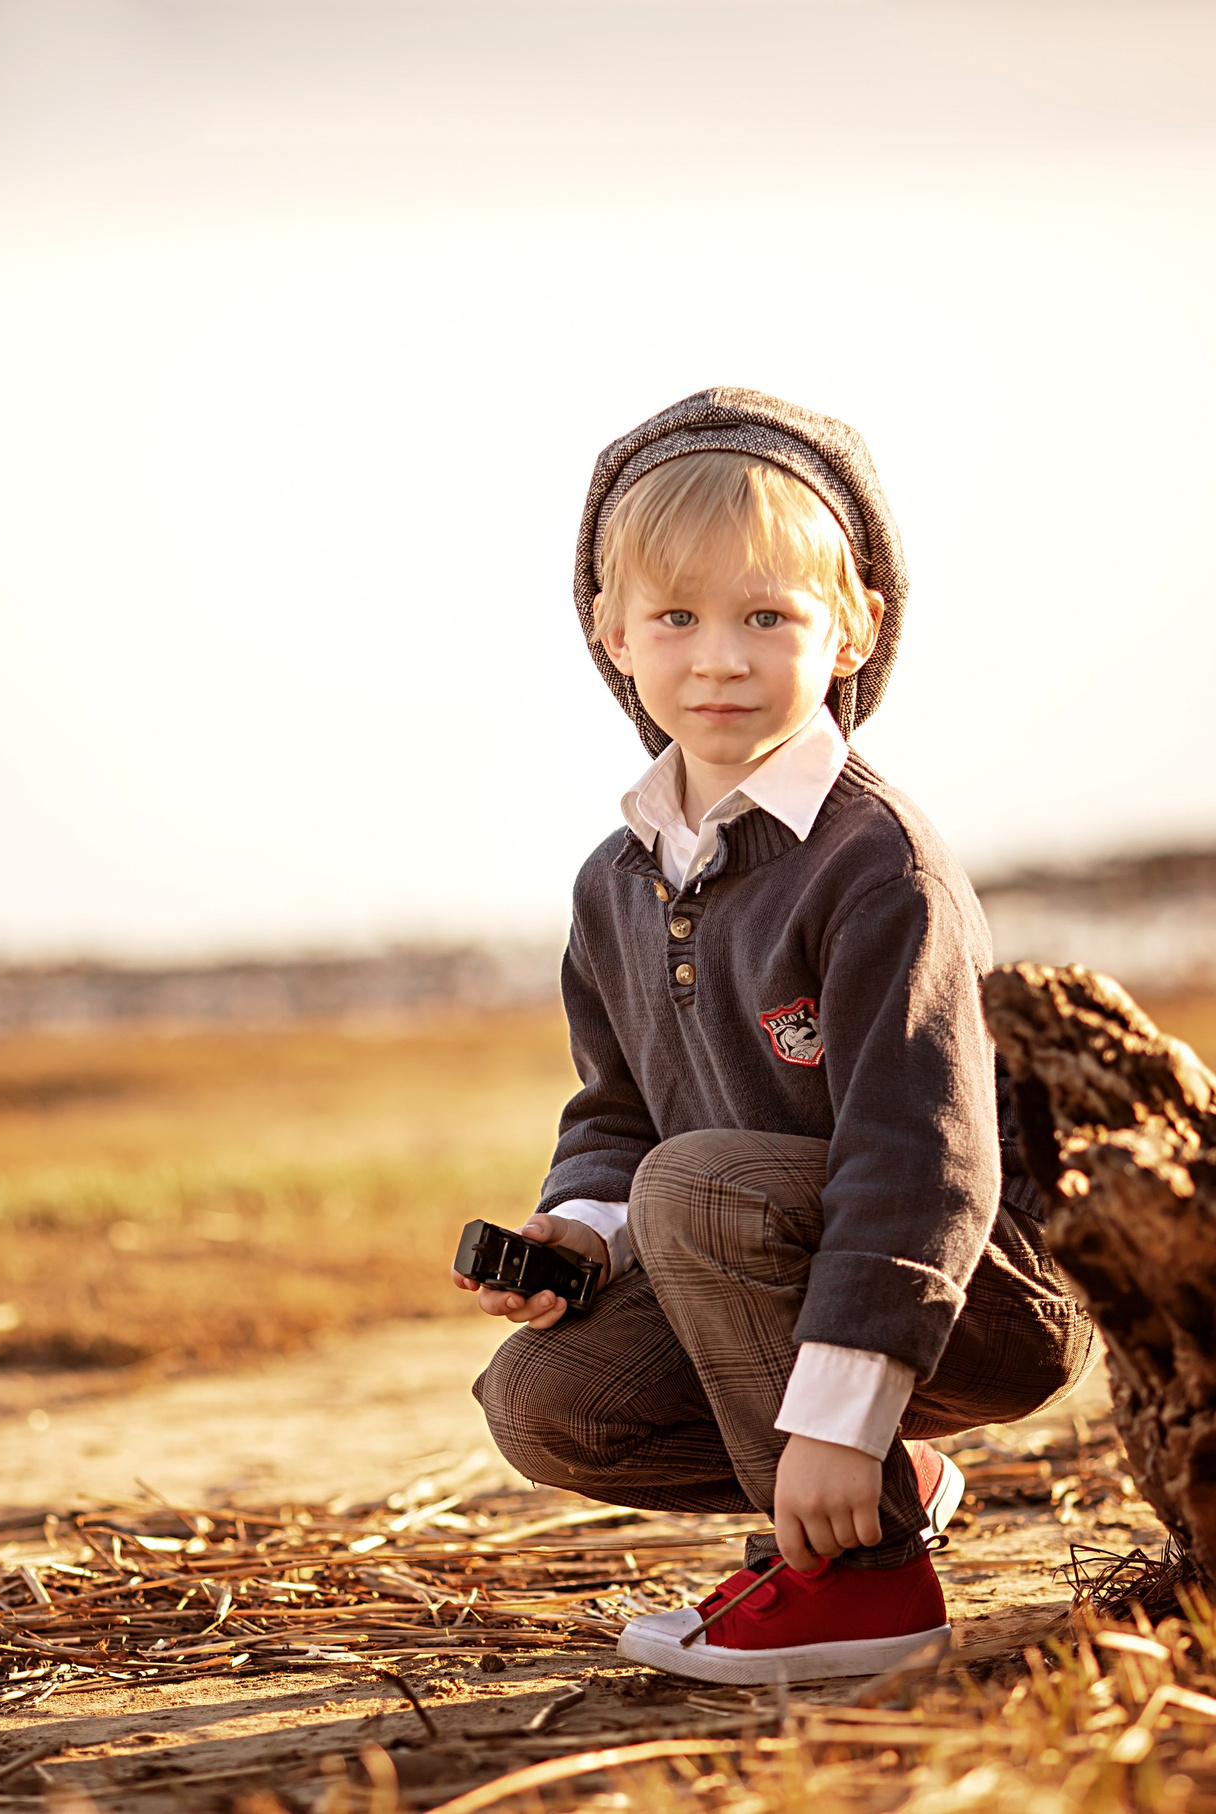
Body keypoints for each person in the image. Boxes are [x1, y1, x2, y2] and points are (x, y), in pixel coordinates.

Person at [454, 388, 1098, 1684]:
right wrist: (577, 1228)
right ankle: (878, 1484)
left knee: (696, 1186)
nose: (720, 659)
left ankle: (857, 1583)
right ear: (610, 633)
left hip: (971, 1279)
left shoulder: (877, 866)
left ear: (852, 623)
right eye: (676, 618)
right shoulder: (616, 878)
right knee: (542, 1399)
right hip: (767, 1269)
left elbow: (929, 1160)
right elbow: (620, 1111)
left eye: (768, 616)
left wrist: (840, 1405)